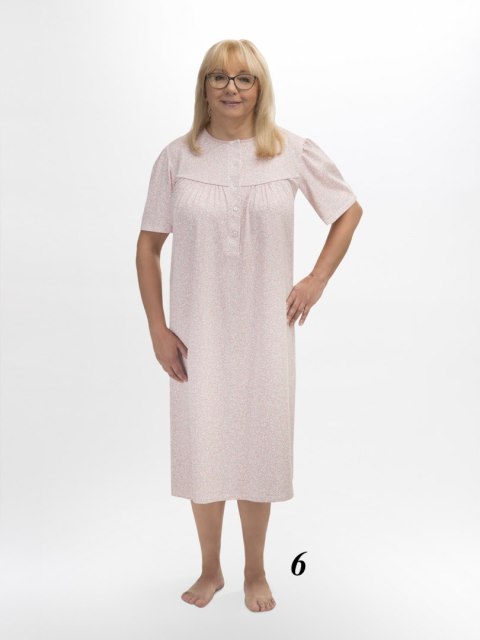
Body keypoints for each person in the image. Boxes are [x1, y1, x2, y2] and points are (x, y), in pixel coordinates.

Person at [136, 38, 363, 613]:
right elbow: (148, 246)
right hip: (198, 331)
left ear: (260, 88)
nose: (231, 88)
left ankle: (256, 570)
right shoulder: (177, 157)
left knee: (259, 442)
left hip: (266, 329)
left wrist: (316, 279)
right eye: (219, 77)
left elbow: (347, 210)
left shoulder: (290, 151)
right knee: (203, 443)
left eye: (244, 78)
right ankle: (210, 569)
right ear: (203, 87)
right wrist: (158, 328)